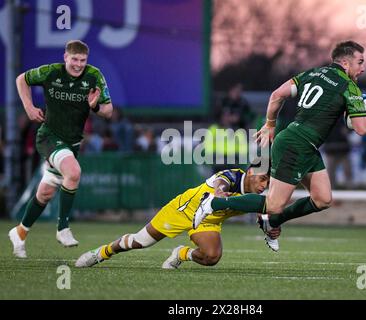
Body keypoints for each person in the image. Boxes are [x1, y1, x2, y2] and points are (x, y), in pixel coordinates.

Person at [193, 41, 366, 247]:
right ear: (345, 63)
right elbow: (362, 128)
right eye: (360, 62)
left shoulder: (312, 73)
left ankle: (271, 222)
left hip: (302, 142)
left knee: (323, 199)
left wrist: (270, 124)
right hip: (297, 143)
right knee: (273, 204)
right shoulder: (349, 86)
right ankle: (213, 203)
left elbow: (277, 95)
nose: (363, 68)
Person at [9, 40, 113, 258]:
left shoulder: (94, 75)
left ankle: (19, 232)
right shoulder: (51, 72)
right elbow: (21, 79)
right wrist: (28, 107)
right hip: (48, 137)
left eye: (82, 60)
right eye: (74, 59)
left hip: (72, 142)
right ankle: (63, 227)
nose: (78, 65)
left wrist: (95, 105)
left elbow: (108, 111)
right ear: (65, 57)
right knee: (73, 172)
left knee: (45, 193)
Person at [75, 163, 279, 269]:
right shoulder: (233, 176)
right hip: (183, 211)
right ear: (251, 172)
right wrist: (218, 193)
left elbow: (263, 214)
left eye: (267, 182)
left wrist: (271, 226)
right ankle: (102, 252)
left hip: (208, 221)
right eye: (262, 179)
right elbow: (221, 182)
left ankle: (181, 254)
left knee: (212, 257)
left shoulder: (255, 196)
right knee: (140, 242)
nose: (263, 185)